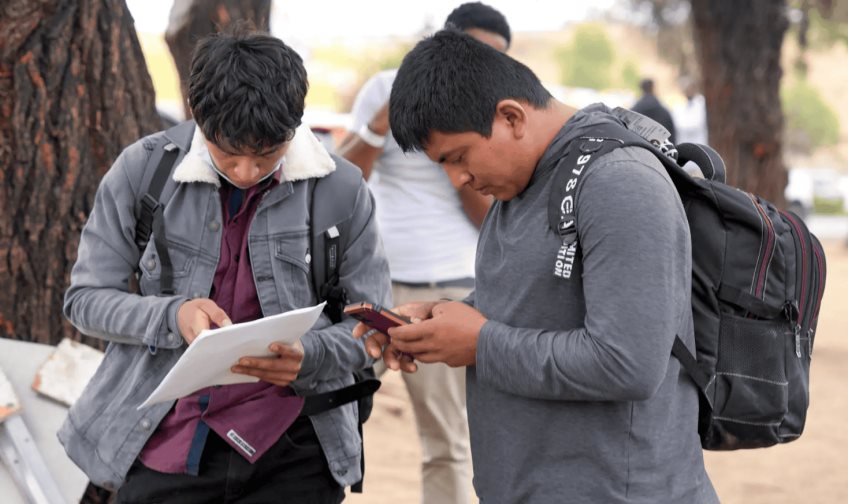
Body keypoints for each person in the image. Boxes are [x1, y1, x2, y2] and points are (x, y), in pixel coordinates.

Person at [355, 29, 719, 503]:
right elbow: (535, 302)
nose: (457, 178)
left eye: (458, 157)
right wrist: (444, 319)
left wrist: (480, 343)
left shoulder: (620, 180)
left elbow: (628, 363)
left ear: (511, 117)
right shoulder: (521, 178)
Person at [60, 25, 391, 503]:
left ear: (295, 125)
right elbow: (86, 300)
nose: (246, 172)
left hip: (296, 447)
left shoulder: (341, 189)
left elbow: (374, 324)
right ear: (199, 119)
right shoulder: (143, 171)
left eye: (266, 155)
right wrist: (172, 315)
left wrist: (311, 356)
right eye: (229, 154)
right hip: (165, 438)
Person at [336, 3, 509, 503]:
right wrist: (385, 118)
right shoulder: (385, 87)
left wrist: (453, 150)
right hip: (379, 285)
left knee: (446, 439)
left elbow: (487, 215)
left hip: (452, 284)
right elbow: (346, 180)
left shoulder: (490, 108)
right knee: (333, 405)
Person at [631, 77, 677, 144]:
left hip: (641, 149)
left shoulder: (634, 111)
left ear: (641, 88)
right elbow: (672, 135)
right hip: (662, 150)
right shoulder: (664, 110)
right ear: (653, 88)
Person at [673, 77, 708, 145]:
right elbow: (677, 124)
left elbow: (697, 124)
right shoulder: (680, 105)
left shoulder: (701, 103)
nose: (688, 92)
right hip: (684, 142)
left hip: (699, 142)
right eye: (686, 89)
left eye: (690, 89)